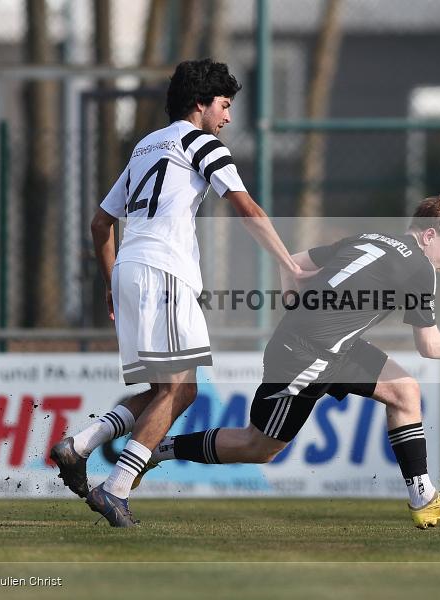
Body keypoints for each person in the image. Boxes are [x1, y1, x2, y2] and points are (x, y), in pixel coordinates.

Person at [49, 58, 308, 527]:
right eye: (224, 106)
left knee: (166, 389)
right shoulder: (201, 143)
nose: (227, 118)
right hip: (164, 271)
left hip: (130, 267)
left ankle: (79, 445)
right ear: (200, 104)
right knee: (181, 390)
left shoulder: (146, 146)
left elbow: (100, 221)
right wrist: (288, 263)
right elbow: (246, 207)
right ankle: (116, 487)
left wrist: (111, 282)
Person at [145, 195, 440, 529]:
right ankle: (160, 449)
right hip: (306, 357)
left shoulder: (369, 237)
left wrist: (294, 295)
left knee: (405, 391)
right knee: (259, 446)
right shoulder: (420, 269)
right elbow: (430, 345)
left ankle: (423, 498)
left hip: (335, 348)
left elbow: (294, 262)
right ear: (429, 235)